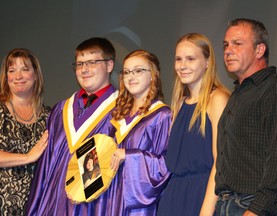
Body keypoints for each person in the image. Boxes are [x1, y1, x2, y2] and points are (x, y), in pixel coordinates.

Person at [25, 37, 118, 215]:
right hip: (54, 203)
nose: (84, 69)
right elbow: (46, 167)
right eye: (79, 64)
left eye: (92, 62)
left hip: (95, 206)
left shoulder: (121, 110)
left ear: (109, 65)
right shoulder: (61, 110)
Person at [215, 18, 277, 215]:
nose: (228, 50)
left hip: (252, 205)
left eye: (237, 43)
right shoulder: (239, 94)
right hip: (226, 204)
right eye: (226, 45)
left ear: (259, 50)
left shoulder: (276, 88)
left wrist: (257, 210)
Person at [157, 33, 230, 216]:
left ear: (207, 62)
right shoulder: (179, 104)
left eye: (190, 59)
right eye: (178, 59)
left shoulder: (218, 99)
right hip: (172, 199)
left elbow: (219, 163)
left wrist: (206, 211)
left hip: (202, 197)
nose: (182, 66)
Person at [94, 49, 171, 215]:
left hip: (138, 205)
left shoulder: (162, 116)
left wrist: (129, 156)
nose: (130, 76)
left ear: (153, 75)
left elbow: (166, 165)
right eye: (126, 72)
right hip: (110, 198)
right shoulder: (117, 115)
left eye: (138, 71)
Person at [0, 48, 50, 215]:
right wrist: (28, 157)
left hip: (39, 206)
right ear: (6, 77)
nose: (18, 76)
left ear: (35, 75)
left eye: (25, 69)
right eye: (12, 70)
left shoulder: (50, 116)